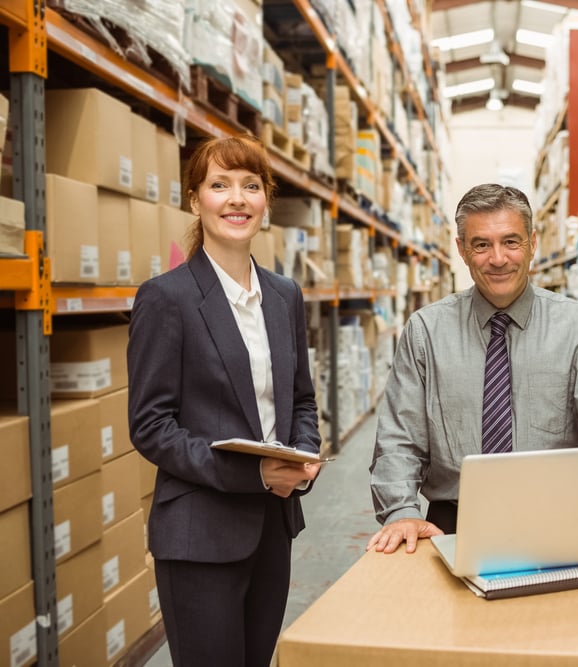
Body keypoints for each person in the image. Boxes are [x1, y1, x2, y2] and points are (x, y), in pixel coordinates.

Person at [127, 134, 321, 667]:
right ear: (195, 200)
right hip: (199, 534)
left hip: (272, 526)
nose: (237, 198)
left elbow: (301, 398)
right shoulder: (167, 298)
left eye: (250, 186)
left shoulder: (284, 296)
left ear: (265, 202)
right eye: (219, 185)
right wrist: (254, 475)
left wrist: (303, 457)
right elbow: (150, 426)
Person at [367, 183, 578, 553]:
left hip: (556, 518)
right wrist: (401, 512)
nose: (498, 258)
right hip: (450, 522)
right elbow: (400, 439)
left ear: (532, 243)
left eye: (511, 242)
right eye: (481, 244)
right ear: (461, 250)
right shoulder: (426, 331)